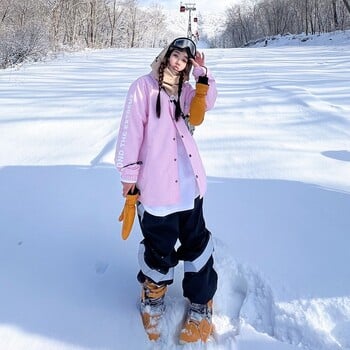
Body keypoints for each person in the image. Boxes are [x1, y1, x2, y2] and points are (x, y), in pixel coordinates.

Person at [114, 37, 218, 344]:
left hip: (189, 185)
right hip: (156, 186)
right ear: (166, 55)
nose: (177, 62)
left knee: (197, 245)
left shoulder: (187, 92)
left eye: (184, 60)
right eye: (175, 55)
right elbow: (130, 131)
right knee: (159, 247)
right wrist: (129, 174)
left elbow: (205, 106)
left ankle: (201, 303)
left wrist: (203, 75)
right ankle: (153, 297)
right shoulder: (143, 88)